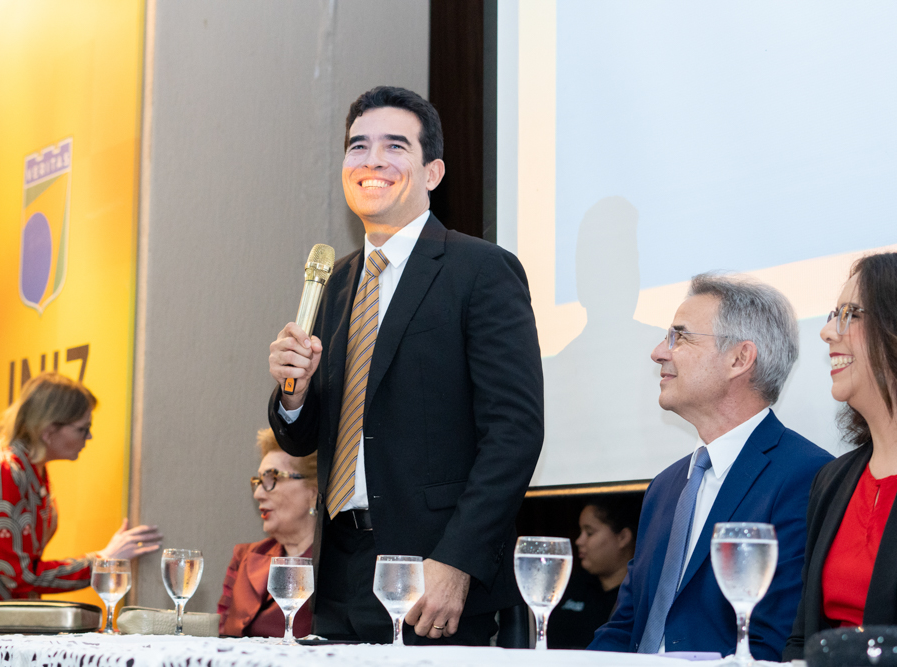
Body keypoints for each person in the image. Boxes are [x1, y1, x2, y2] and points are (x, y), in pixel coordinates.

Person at [266, 86, 543, 645]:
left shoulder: (481, 270)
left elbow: (514, 433)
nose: (372, 161)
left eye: (395, 147)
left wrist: (457, 560)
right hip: (339, 569)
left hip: (432, 573)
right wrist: (293, 396)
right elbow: (304, 440)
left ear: (433, 172)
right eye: (358, 146)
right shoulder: (334, 283)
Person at [588, 273, 833, 660]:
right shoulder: (665, 487)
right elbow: (624, 628)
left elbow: (774, 643)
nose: (658, 352)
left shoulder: (808, 477)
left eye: (680, 337)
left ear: (739, 359)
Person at [0, 372, 162, 632]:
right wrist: (100, 562)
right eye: (82, 429)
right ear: (48, 431)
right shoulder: (6, 470)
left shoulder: (30, 468)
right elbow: (19, 574)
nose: (88, 437)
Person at [782, 253, 897, 660]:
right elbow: (802, 638)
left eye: (849, 314)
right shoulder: (832, 481)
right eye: (833, 314)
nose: (827, 331)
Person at [218, 428, 316, 637]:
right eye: (259, 482)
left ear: (314, 491)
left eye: (272, 479)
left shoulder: (337, 566)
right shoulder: (245, 557)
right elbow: (220, 635)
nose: (258, 494)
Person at [548, 498, 638, 649]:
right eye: (580, 532)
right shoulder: (569, 586)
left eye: (589, 533)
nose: (579, 541)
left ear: (623, 537)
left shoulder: (638, 595)